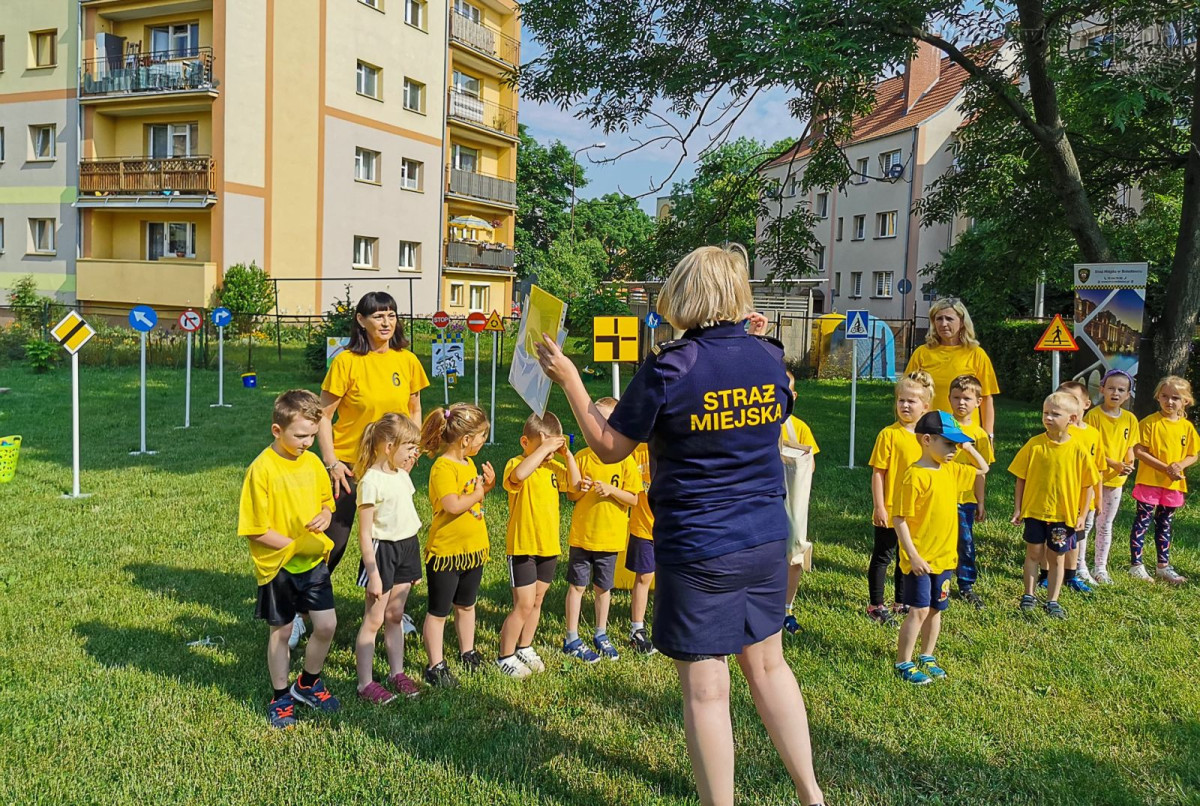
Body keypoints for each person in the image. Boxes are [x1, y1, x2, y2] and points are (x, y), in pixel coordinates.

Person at [535, 244, 825, 806]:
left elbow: (609, 447)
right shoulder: (769, 357)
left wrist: (570, 379)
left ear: (684, 295)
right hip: (766, 534)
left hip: (700, 545)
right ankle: (811, 795)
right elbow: (779, 406)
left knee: (708, 689)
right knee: (769, 666)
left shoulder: (670, 366)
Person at [237, 389, 340, 729]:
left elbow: (326, 502)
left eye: (312, 435)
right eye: (300, 436)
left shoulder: (312, 463)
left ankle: (308, 683)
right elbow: (255, 529)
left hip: (313, 564)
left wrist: (326, 515)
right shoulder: (262, 469)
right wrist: (294, 545)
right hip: (278, 567)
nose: (308, 443)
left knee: (326, 625)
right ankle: (280, 696)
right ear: (277, 430)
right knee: (281, 632)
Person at [318, 291, 429, 572]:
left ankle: (384, 598)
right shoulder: (346, 362)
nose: (386, 322)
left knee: (390, 538)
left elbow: (414, 409)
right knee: (333, 540)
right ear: (361, 320)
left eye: (391, 315)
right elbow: (323, 416)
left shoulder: (407, 360)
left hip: (391, 468)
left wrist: (411, 453)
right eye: (378, 316)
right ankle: (307, 595)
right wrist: (332, 463)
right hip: (348, 466)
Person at [893, 411, 989, 685]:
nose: (954, 450)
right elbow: (899, 519)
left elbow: (983, 468)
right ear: (927, 440)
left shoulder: (951, 470)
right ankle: (903, 661)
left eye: (956, 445)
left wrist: (967, 446)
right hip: (921, 559)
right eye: (949, 444)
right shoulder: (914, 476)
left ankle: (927, 655)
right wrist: (913, 555)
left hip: (946, 558)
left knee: (936, 609)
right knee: (919, 610)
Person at [497, 412, 581, 677]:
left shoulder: (553, 468)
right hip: (523, 546)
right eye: (544, 448)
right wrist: (544, 448)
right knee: (523, 604)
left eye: (552, 449)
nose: (549, 455)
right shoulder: (515, 463)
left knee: (537, 601)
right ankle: (505, 656)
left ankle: (525, 645)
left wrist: (567, 456)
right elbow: (519, 475)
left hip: (548, 547)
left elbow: (575, 487)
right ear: (525, 442)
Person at [418, 403, 495, 687]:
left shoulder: (468, 463)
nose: (483, 441)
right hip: (446, 553)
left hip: (472, 550)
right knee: (439, 612)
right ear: (465, 440)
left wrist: (486, 487)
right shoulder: (442, 468)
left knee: (466, 605)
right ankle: (435, 665)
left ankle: (468, 651)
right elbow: (452, 505)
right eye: (482, 437)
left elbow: (472, 497)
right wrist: (478, 493)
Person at [563, 397, 643, 662]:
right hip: (582, 536)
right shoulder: (582, 457)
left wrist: (611, 490)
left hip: (609, 539)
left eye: (604, 422)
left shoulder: (625, 460)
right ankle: (571, 637)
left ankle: (601, 633)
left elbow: (634, 499)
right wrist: (579, 488)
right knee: (576, 587)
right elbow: (571, 495)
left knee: (602, 589)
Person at [352, 413, 424, 704]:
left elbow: (405, 517)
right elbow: (365, 534)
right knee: (374, 619)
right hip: (382, 553)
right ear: (389, 446)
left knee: (395, 615)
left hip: (407, 548)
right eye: (409, 448)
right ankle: (365, 683)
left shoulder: (402, 476)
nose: (414, 454)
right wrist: (374, 574)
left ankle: (397, 673)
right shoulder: (370, 482)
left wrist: (413, 567)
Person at [1009, 391, 1099, 620]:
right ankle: (1028, 595)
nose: (1048, 418)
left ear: (1071, 419)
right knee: (1033, 554)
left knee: (1056, 557)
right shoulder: (1034, 445)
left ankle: (1053, 600)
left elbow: (1088, 484)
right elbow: (1021, 478)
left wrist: (1082, 514)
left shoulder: (1078, 449)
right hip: (1035, 512)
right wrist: (1018, 508)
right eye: (1045, 413)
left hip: (1063, 516)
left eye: (1055, 414)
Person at [867, 371, 935, 626]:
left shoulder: (928, 439)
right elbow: (878, 473)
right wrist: (879, 506)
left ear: (925, 406)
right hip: (890, 509)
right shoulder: (889, 434)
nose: (905, 405)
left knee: (905, 557)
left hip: (914, 511)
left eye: (912, 401)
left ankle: (901, 601)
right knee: (883, 556)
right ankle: (875, 604)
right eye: (901, 400)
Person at [1128, 376, 1198, 584]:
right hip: (1149, 481)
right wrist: (1165, 468)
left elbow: (1193, 454)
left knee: (1165, 523)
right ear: (1157, 397)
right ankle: (1136, 565)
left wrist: (1179, 466)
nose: (1169, 402)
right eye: (1165, 396)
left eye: (1175, 398)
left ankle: (1163, 566)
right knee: (1143, 520)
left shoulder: (1187, 427)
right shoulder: (1149, 423)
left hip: (1173, 484)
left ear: (1186, 401)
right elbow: (1139, 451)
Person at [905, 297, 1000, 438]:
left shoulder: (976, 354)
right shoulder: (922, 353)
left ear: (961, 322)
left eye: (949, 319)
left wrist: (988, 435)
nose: (943, 324)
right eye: (939, 319)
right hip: (928, 432)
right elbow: (906, 394)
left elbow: (986, 398)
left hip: (965, 433)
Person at [1049, 381, 1104, 593]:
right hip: (1058, 497)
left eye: (1072, 399)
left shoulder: (1093, 434)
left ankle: (1072, 575)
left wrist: (1098, 498)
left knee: (1076, 538)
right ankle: (1047, 574)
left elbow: (1097, 469)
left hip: (1082, 498)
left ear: (1086, 404)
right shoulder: (1057, 432)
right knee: (1051, 537)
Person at [1085, 369, 1139, 584]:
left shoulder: (1130, 419)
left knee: (1105, 524)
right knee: (1087, 523)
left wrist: (1129, 463)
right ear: (1102, 390)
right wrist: (1113, 463)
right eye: (1111, 388)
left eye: (1121, 390)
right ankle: (1079, 566)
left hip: (1116, 481)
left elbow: (1130, 447)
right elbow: (1089, 449)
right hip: (1093, 480)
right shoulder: (1093, 417)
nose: (1115, 393)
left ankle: (1100, 567)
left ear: (1127, 394)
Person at [947, 375, 994, 609]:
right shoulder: (943, 427)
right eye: (956, 397)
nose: (961, 403)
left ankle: (966, 585)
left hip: (965, 499)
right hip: (941, 496)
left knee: (965, 542)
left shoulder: (980, 435)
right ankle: (940, 581)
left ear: (978, 402)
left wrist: (980, 501)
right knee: (940, 541)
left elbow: (981, 472)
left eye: (966, 398)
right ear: (949, 399)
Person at [781, 371, 819, 635]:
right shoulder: (755, 425)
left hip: (792, 503)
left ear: (793, 396)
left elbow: (809, 466)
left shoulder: (800, 428)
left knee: (794, 553)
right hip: (762, 501)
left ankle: (786, 609)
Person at [627, 440, 657, 654]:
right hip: (643, 527)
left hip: (673, 526)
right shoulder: (635, 451)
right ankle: (637, 629)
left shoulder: (674, 445)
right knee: (644, 576)